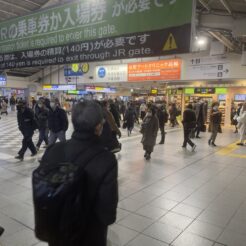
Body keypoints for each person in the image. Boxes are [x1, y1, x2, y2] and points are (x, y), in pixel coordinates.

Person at [34, 101, 118, 246]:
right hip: (89, 236)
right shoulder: (106, 160)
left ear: (73, 122)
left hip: (57, 233)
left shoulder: (53, 150)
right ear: (98, 126)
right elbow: (107, 215)